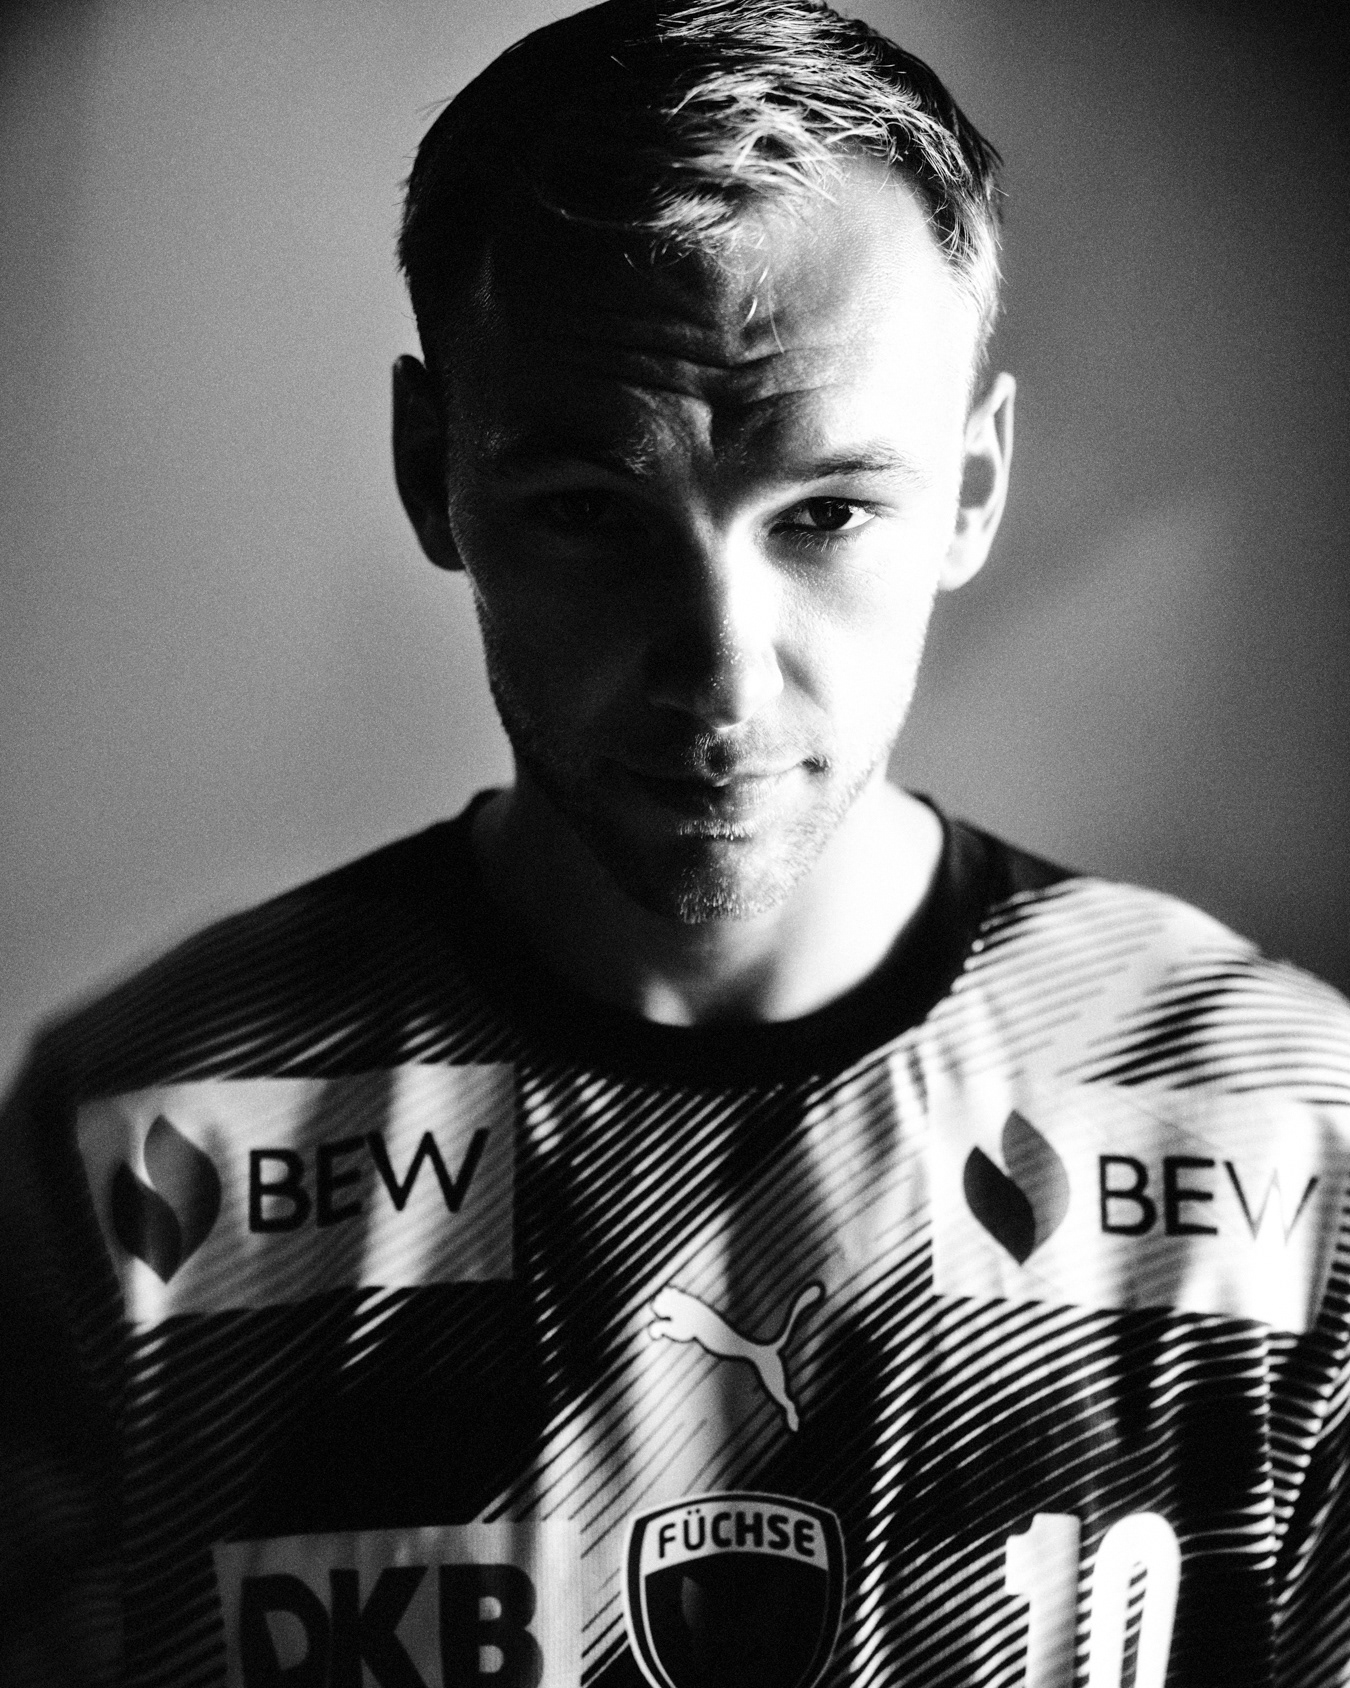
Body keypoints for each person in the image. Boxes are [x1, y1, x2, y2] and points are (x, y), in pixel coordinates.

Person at [3, 2, 1349, 1685]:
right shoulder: (146, 1124)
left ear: (972, 487)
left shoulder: (1286, 1130)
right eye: (589, 511)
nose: (719, 672)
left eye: (827, 513)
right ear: (434, 472)